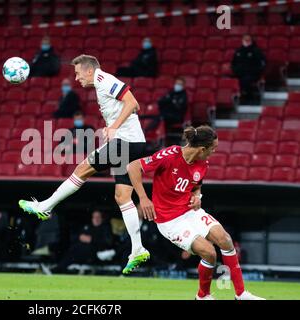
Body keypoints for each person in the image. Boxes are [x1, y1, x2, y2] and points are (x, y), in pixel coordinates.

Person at [19, 54, 150, 274]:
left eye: (78, 73)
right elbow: (131, 108)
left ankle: (45, 206)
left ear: (90, 71)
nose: (77, 78)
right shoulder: (101, 85)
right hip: (134, 143)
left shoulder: (103, 80)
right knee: (122, 197)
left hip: (125, 141)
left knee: (82, 168)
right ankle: (137, 249)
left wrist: (115, 126)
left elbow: (133, 102)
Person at [127, 125, 264, 300]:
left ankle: (241, 294)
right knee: (209, 253)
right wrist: (143, 198)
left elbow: (196, 186)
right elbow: (133, 167)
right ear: (202, 149)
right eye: (213, 149)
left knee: (226, 240)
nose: (213, 152)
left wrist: (198, 196)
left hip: (190, 211)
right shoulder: (170, 155)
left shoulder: (202, 164)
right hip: (170, 221)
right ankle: (203, 296)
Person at [232, 34, 266, 104]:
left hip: (253, 74)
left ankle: (249, 98)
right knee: (229, 80)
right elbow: (233, 63)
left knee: (245, 80)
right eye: (245, 40)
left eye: (248, 40)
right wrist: (235, 70)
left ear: (251, 40)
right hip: (240, 73)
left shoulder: (256, 51)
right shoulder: (239, 51)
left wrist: (256, 71)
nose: (246, 41)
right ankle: (235, 98)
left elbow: (262, 63)